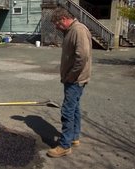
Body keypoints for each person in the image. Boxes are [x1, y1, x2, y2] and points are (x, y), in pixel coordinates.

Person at [47, 7, 92, 157]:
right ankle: (74, 137)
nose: (57, 28)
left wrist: (72, 76)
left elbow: (82, 57)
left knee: (67, 110)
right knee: (75, 109)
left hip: (75, 80)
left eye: (58, 24)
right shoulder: (71, 31)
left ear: (64, 19)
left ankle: (65, 145)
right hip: (73, 78)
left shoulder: (78, 30)